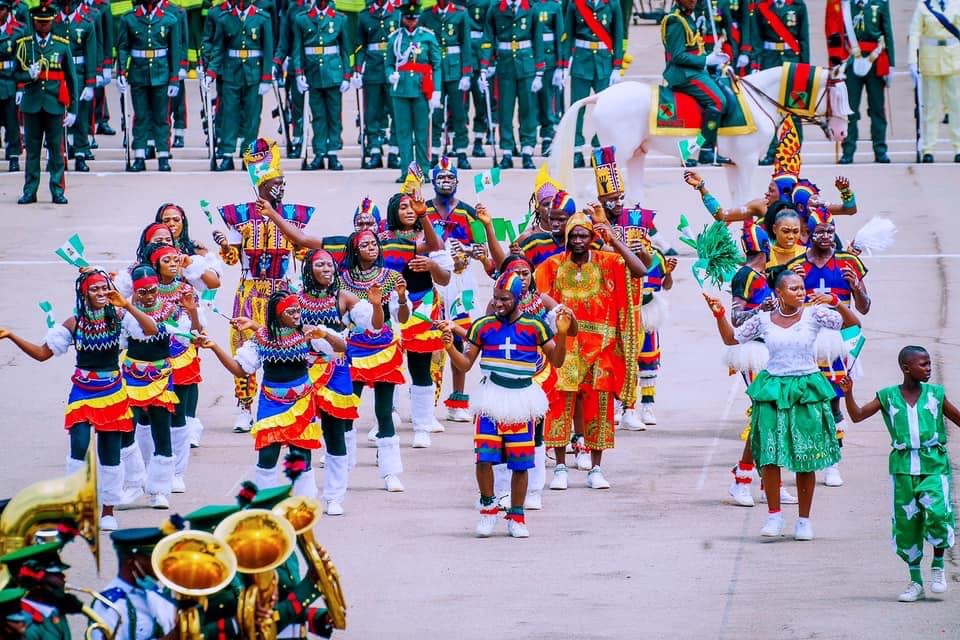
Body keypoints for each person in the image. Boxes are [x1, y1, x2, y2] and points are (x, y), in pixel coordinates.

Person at [705, 270, 860, 539]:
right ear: (779, 293)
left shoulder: (815, 315)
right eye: (794, 289)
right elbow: (732, 339)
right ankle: (774, 516)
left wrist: (835, 301)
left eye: (802, 288)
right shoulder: (763, 320)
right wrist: (719, 315)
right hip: (774, 388)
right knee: (770, 454)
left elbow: (851, 325)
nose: (801, 293)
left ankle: (804, 521)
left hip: (806, 388)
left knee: (806, 456)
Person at [0, 270, 158, 531]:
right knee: (79, 446)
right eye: (94, 289)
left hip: (113, 394)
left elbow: (150, 330)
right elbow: (42, 354)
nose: (100, 294)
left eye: (104, 288)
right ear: (84, 293)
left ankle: (108, 508)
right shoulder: (74, 323)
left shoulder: (120, 318)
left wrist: (127, 304)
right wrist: (11, 336)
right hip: (83, 392)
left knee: (110, 453)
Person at [444, 271, 571, 537]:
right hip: (490, 396)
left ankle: (517, 516)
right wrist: (449, 348)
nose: (498, 304)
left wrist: (562, 336)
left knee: (520, 463)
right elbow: (465, 365)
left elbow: (557, 362)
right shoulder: (483, 326)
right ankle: (488, 509)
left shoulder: (536, 327)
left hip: (522, 399)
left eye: (504, 299)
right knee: (484, 458)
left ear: (517, 298)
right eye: (495, 298)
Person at [839, 346, 959, 602]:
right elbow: (858, 416)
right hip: (903, 468)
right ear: (906, 368)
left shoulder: (936, 394)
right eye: (923, 364)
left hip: (933, 464)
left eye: (929, 364)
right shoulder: (887, 396)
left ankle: (938, 565)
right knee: (907, 524)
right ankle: (915, 581)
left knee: (939, 513)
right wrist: (848, 394)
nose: (928, 369)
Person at [535, 211, 644, 490]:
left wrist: (612, 237)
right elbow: (539, 292)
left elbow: (640, 270)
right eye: (574, 235)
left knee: (600, 409)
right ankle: (560, 467)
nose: (579, 240)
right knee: (560, 407)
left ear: (592, 236)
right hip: (566, 347)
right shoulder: (553, 265)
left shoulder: (608, 262)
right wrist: (555, 307)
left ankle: (596, 468)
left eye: (584, 235)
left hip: (602, 349)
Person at [214, 138, 316, 433]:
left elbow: (301, 250)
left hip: (281, 292)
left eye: (283, 182)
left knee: (289, 343)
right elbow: (234, 259)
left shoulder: (294, 216)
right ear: (260, 185)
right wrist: (224, 245)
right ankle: (244, 405)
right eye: (276, 182)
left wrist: (305, 252)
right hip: (250, 290)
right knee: (245, 345)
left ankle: (290, 398)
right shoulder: (239, 217)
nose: (281, 188)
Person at [198, 290, 344, 495]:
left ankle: (303, 503)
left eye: (298, 311)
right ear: (278, 314)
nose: (296, 315)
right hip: (271, 405)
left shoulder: (308, 333)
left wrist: (325, 334)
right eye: (291, 312)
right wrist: (214, 347)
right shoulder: (262, 337)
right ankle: (265, 506)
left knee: (301, 456)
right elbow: (240, 369)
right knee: (267, 457)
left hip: (301, 404)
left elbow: (341, 347)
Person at [787, 208, 870, 487]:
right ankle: (810, 457)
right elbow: (787, 307)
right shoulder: (797, 265)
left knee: (834, 399)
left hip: (837, 341)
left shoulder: (848, 262)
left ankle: (833, 462)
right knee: (807, 400)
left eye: (830, 231)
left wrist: (856, 287)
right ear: (808, 234)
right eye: (820, 231)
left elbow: (864, 308)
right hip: (807, 340)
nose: (826, 236)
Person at [298, 248, 379, 515]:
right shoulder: (296, 299)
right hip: (304, 370)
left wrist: (377, 305)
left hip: (336, 370)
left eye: (330, 265)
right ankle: (304, 494)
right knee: (301, 434)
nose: (326, 269)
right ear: (309, 269)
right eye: (319, 265)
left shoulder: (344, 297)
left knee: (335, 433)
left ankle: (334, 496)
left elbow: (373, 326)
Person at [119, 263, 200, 509]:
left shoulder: (173, 312)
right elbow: (119, 342)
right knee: (126, 432)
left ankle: (159, 489)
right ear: (134, 290)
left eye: (152, 290)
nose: (148, 296)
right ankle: (134, 483)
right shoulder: (125, 315)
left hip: (161, 379)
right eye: (142, 292)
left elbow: (187, 337)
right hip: (132, 377)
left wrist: (192, 316)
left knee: (162, 432)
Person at [380, 191, 452, 448]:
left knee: (420, 368)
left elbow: (444, 276)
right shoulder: (381, 240)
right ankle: (386, 420)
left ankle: (422, 425)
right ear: (393, 212)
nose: (409, 211)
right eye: (403, 207)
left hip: (422, 308)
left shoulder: (428, 238)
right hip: (390, 308)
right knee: (388, 366)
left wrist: (432, 267)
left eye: (413, 207)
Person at [15, 4, 78, 205]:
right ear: (34, 23)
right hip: (32, 103)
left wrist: (74, 109)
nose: (43, 26)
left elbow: (72, 78)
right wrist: (28, 75)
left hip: (54, 104)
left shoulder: (61, 45)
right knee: (32, 151)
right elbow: (15, 73)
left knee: (56, 151)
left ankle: (57, 190)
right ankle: (30, 190)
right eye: (40, 23)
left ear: (52, 22)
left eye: (47, 22)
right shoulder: (25, 44)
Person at [660, 0, 730, 166]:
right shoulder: (676, 21)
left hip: (694, 70)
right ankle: (705, 150)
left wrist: (712, 61)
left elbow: (694, 47)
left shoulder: (688, 17)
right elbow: (677, 56)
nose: (694, 0)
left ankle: (697, 146)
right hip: (684, 74)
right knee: (719, 102)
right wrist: (706, 60)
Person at [116, 0, 181, 172]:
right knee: (141, 116)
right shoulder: (129, 19)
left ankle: (163, 155)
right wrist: (121, 72)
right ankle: (139, 155)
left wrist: (174, 78)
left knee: (162, 116)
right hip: (138, 72)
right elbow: (123, 47)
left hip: (161, 73)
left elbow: (175, 51)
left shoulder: (169, 20)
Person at [208, 0, 273, 171]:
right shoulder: (224, 18)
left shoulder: (262, 18)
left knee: (252, 116)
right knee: (229, 114)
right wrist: (211, 72)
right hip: (231, 71)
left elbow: (268, 49)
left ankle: (248, 155)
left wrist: (267, 77)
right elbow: (218, 48)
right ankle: (227, 154)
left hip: (254, 72)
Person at [479, 0, 543, 169]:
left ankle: (527, 151)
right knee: (505, 111)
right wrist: (484, 67)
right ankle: (507, 152)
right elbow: (488, 38)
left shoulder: (530, 8)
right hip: (505, 65)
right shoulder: (495, 9)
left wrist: (539, 71)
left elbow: (538, 40)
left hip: (526, 66)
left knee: (528, 110)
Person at [290, 0, 351, 171]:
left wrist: (347, 75)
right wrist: (299, 73)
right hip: (312, 72)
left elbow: (345, 49)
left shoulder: (340, 19)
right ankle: (319, 152)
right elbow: (298, 49)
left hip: (333, 72)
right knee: (317, 116)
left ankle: (333, 153)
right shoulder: (302, 19)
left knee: (334, 115)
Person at [831, 0, 895, 164]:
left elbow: (887, 33)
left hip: (875, 60)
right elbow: (836, 34)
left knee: (877, 108)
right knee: (849, 108)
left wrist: (891, 65)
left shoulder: (880, 3)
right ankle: (848, 151)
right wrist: (836, 63)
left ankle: (880, 150)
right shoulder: (846, 5)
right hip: (852, 62)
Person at [564, 0, 624, 168]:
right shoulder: (576, 3)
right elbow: (568, 35)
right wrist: (563, 65)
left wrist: (617, 66)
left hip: (604, 63)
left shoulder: (612, 4)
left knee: (605, 109)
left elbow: (618, 35)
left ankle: (598, 147)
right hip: (581, 62)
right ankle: (576, 149)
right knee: (577, 107)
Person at [387, 0, 442, 183]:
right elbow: (388, 63)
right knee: (403, 133)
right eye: (408, 19)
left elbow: (437, 65)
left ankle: (423, 171)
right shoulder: (395, 38)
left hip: (421, 90)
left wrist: (437, 91)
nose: (411, 22)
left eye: (414, 19)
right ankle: (406, 171)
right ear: (403, 19)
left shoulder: (427, 37)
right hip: (401, 90)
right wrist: (390, 76)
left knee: (421, 133)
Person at [89, 528, 178, 640]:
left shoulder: (154, 591)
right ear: (131, 562)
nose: (162, 564)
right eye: (154, 559)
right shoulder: (109, 606)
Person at [753, 0, 809, 165]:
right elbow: (757, 38)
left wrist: (805, 68)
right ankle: (770, 152)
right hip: (769, 60)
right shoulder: (763, 5)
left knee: (795, 107)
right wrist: (756, 64)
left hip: (792, 61)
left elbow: (804, 39)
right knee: (769, 110)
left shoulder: (798, 5)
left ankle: (792, 151)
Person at [420, 0, 473, 169]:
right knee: (435, 113)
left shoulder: (460, 13)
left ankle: (461, 150)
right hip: (435, 70)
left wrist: (466, 72)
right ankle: (434, 152)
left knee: (458, 113)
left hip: (455, 69)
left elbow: (466, 43)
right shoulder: (427, 14)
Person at [908, 0, 960, 163]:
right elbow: (915, 33)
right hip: (930, 59)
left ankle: (958, 147)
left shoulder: (957, 4)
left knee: (956, 106)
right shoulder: (923, 6)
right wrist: (912, 61)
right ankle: (928, 148)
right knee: (931, 107)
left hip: (954, 59)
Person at [0, 542, 84, 639]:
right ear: (37, 579)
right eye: (56, 573)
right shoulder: (23, 623)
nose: (63, 576)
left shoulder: (53, 610)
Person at [354, 0, 402, 170]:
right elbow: (360, 46)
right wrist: (358, 70)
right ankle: (374, 150)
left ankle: (395, 152)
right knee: (372, 113)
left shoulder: (397, 14)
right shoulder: (364, 16)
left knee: (396, 113)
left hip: (392, 70)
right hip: (373, 70)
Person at [52, 0, 96, 173]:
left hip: (78, 74)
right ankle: (62, 152)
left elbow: (91, 54)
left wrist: (90, 82)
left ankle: (80, 153)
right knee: (58, 115)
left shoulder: (86, 23)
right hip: (58, 73)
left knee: (81, 115)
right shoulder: (53, 22)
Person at [533, 0, 563, 156]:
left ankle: (547, 138)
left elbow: (560, 36)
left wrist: (560, 65)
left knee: (547, 100)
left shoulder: (554, 7)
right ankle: (527, 143)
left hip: (548, 59)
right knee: (529, 104)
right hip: (527, 58)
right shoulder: (528, 6)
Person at [0, 0, 24, 174]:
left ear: (8, 10)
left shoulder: (18, 31)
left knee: (12, 121)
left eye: (1, 9)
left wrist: (21, 87)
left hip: (9, 80)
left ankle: (14, 155)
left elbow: (22, 62)